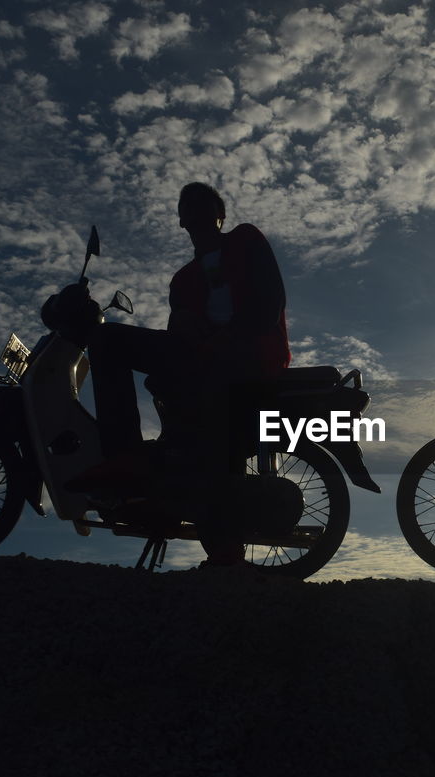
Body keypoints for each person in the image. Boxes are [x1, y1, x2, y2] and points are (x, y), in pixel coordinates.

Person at [69, 182, 291, 564]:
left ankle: (129, 462)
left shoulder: (245, 240)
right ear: (181, 221)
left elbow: (270, 301)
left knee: (110, 341)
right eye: (187, 207)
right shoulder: (182, 280)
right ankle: (133, 466)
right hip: (201, 361)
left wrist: (228, 337)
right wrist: (188, 336)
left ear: (220, 215)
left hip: (248, 357)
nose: (195, 214)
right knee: (107, 340)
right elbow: (177, 333)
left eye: (204, 205)